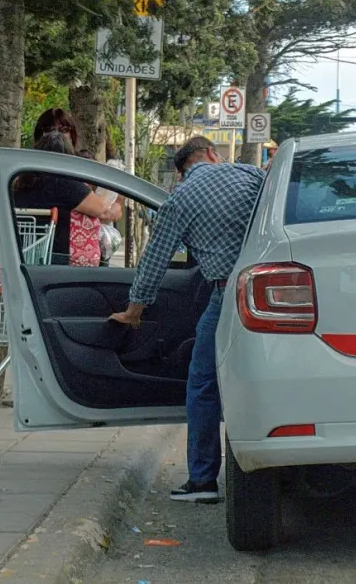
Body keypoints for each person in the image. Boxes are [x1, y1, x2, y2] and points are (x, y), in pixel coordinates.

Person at [107, 136, 265, 503]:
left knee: (203, 383)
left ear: (182, 172)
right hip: (271, 289)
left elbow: (155, 261)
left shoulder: (180, 199)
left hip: (226, 293)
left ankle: (203, 480)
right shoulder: (251, 175)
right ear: (211, 153)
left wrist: (134, 311)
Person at [12, 132, 117, 265]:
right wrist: (117, 201)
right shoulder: (66, 185)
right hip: (60, 257)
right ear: (68, 158)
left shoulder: (22, 184)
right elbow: (100, 209)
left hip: (23, 253)